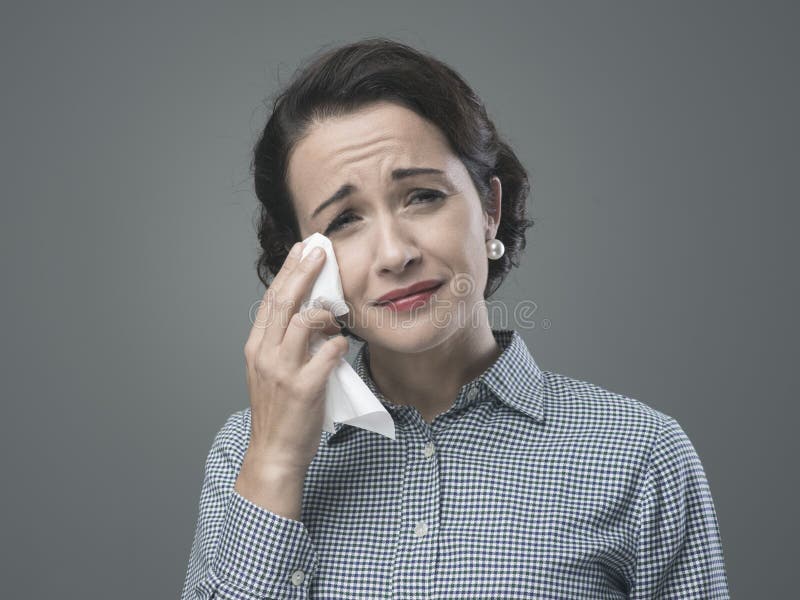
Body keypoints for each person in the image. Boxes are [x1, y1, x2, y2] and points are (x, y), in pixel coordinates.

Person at [180, 38, 730, 599]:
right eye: (345, 220)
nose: (395, 254)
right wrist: (275, 461)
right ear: (302, 260)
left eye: (422, 196)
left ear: (489, 209)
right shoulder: (244, 451)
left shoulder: (637, 453)